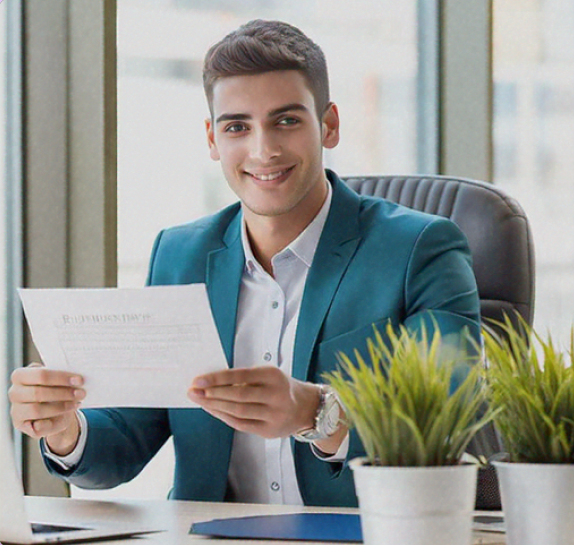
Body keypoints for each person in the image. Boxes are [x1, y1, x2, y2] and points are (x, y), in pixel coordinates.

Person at [8, 20, 480, 507]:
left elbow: (447, 419)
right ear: (213, 139)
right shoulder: (179, 254)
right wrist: (65, 429)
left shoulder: (420, 249)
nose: (263, 150)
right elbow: (128, 436)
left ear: (330, 125)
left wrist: (317, 412)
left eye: (287, 121)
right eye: (237, 126)